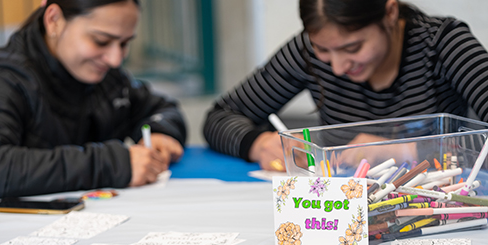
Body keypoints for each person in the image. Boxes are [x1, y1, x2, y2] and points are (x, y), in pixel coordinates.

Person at [203, 0, 488, 171]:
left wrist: (406, 151)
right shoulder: (308, 54)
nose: (337, 67)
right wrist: (259, 143)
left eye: (353, 47)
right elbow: (220, 116)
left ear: (389, 13)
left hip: (437, 211)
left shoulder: (443, 45)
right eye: (324, 50)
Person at [0, 0, 186, 199]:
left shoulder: (107, 77)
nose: (115, 59)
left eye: (125, 43)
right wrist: (113, 165)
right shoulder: (3, 80)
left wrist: (159, 132)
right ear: (54, 20)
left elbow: (161, 108)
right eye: (101, 41)